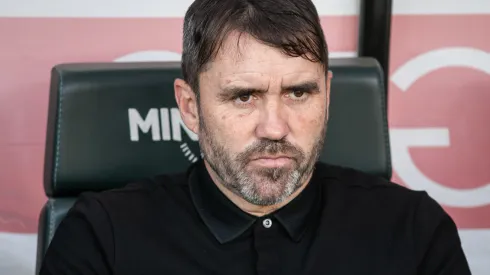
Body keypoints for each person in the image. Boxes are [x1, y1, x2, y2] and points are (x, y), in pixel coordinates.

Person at [39, 0, 472, 274]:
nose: (275, 127)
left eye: (299, 92)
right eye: (243, 96)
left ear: (327, 94)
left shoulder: (413, 230)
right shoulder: (102, 237)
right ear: (190, 106)